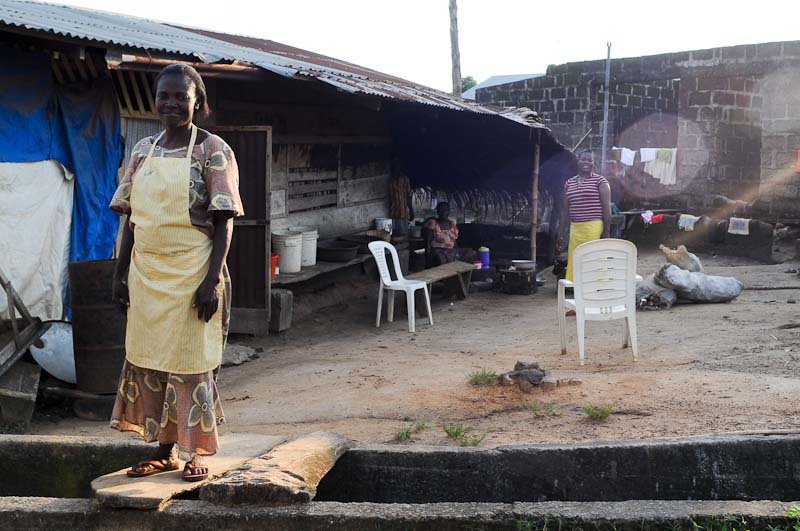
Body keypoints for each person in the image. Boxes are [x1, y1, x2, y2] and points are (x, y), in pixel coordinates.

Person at [109, 64, 243, 482]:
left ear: (197, 103)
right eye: (163, 95)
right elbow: (130, 218)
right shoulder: (142, 150)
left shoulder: (212, 150)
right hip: (146, 276)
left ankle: (195, 452)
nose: (170, 103)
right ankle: (164, 451)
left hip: (193, 275)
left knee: (191, 364)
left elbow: (225, 221)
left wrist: (211, 280)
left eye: (180, 97)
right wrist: (119, 273)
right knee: (150, 363)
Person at [557, 149, 611, 282]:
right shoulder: (569, 183)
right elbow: (564, 211)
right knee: (576, 258)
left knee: (592, 257)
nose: (586, 162)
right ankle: (578, 289)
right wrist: (560, 233)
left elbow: (607, 209)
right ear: (578, 160)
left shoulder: (600, 181)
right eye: (583, 159)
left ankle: (595, 287)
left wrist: (606, 232)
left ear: (593, 163)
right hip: (575, 229)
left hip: (593, 227)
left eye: (590, 160)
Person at [423, 202, 476, 266]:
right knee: (440, 258)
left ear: (448, 211)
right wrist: (428, 260)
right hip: (438, 252)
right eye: (441, 210)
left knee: (471, 253)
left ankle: (461, 271)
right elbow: (427, 243)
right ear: (437, 211)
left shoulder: (453, 224)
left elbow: (454, 242)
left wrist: (458, 252)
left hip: (451, 251)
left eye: (445, 210)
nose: (443, 212)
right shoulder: (433, 223)